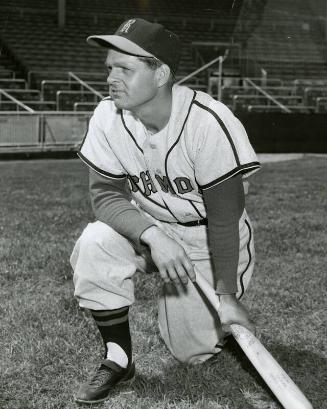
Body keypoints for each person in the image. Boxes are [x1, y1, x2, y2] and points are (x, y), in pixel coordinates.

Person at [70, 18, 261, 404]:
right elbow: (105, 195)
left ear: (161, 74)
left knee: (190, 353)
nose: (111, 78)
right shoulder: (108, 116)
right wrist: (152, 236)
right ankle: (118, 359)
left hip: (208, 237)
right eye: (109, 68)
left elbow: (224, 219)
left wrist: (225, 294)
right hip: (152, 224)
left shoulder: (209, 122)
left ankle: (215, 328)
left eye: (125, 68)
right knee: (95, 243)